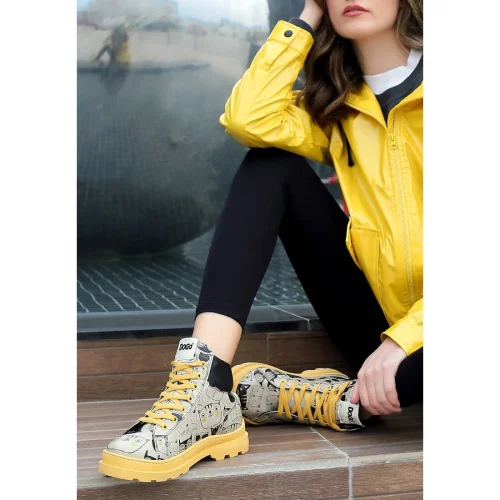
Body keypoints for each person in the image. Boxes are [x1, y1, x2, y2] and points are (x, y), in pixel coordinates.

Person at [98, 0, 423, 482]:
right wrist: (307, 18)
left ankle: (334, 398)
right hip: (377, 330)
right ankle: (205, 388)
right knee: (271, 166)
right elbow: (248, 118)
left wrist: (405, 341)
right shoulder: (339, 106)